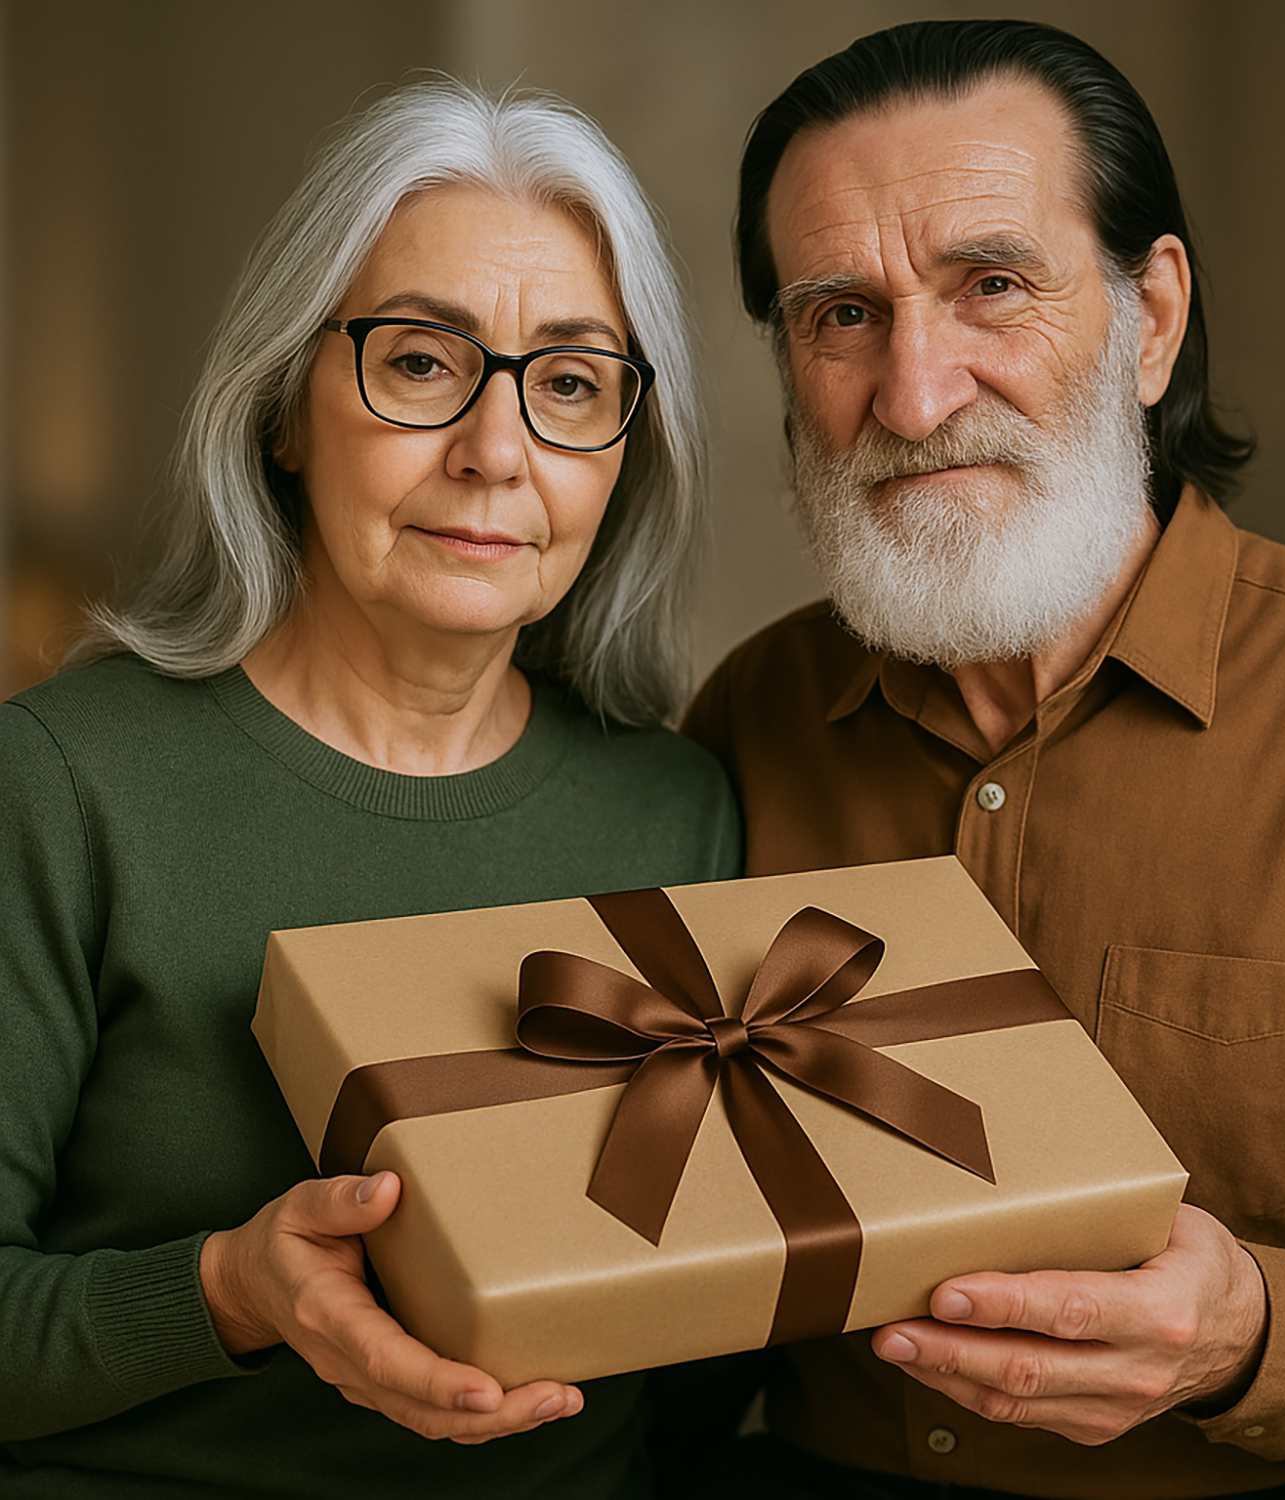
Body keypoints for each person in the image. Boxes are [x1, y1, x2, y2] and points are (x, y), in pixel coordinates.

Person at [682, 19, 1285, 1500]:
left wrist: (1257, 1335)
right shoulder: (748, 715)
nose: (915, 395)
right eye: (842, 315)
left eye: (992, 286)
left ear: (1153, 318)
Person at [0, 81, 738, 1499]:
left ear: (625, 455)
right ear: (286, 410)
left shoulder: (679, 811)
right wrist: (228, 1288)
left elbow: (700, 1351)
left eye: (570, 384)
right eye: (418, 362)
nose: (496, 452)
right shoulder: (60, 784)